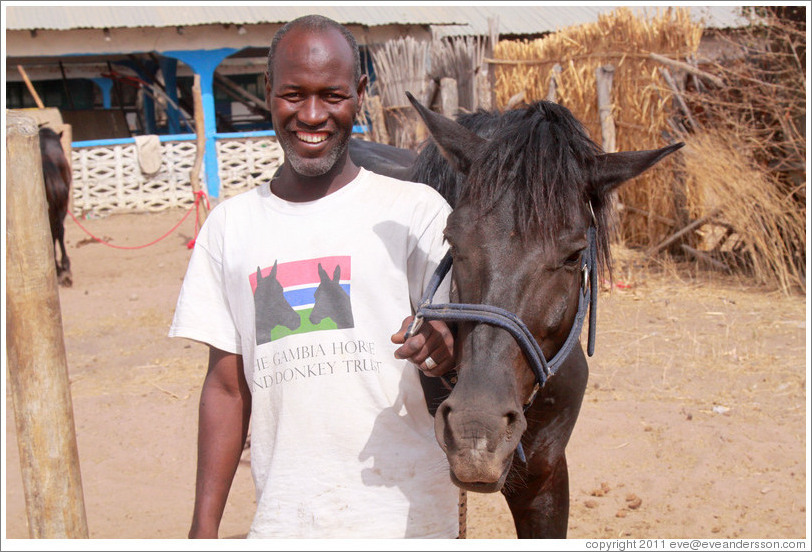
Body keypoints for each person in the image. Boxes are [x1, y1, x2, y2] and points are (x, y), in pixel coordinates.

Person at [169, 14, 460, 539]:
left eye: (333, 95)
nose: (311, 114)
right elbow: (226, 389)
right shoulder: (230, 228)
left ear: (361, 93)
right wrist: (202, 529)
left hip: (408, 518)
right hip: (285, 521)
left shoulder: (416, 214)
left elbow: (465, 345)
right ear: (268, 93)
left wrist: (446, 343)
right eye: (293, 95)